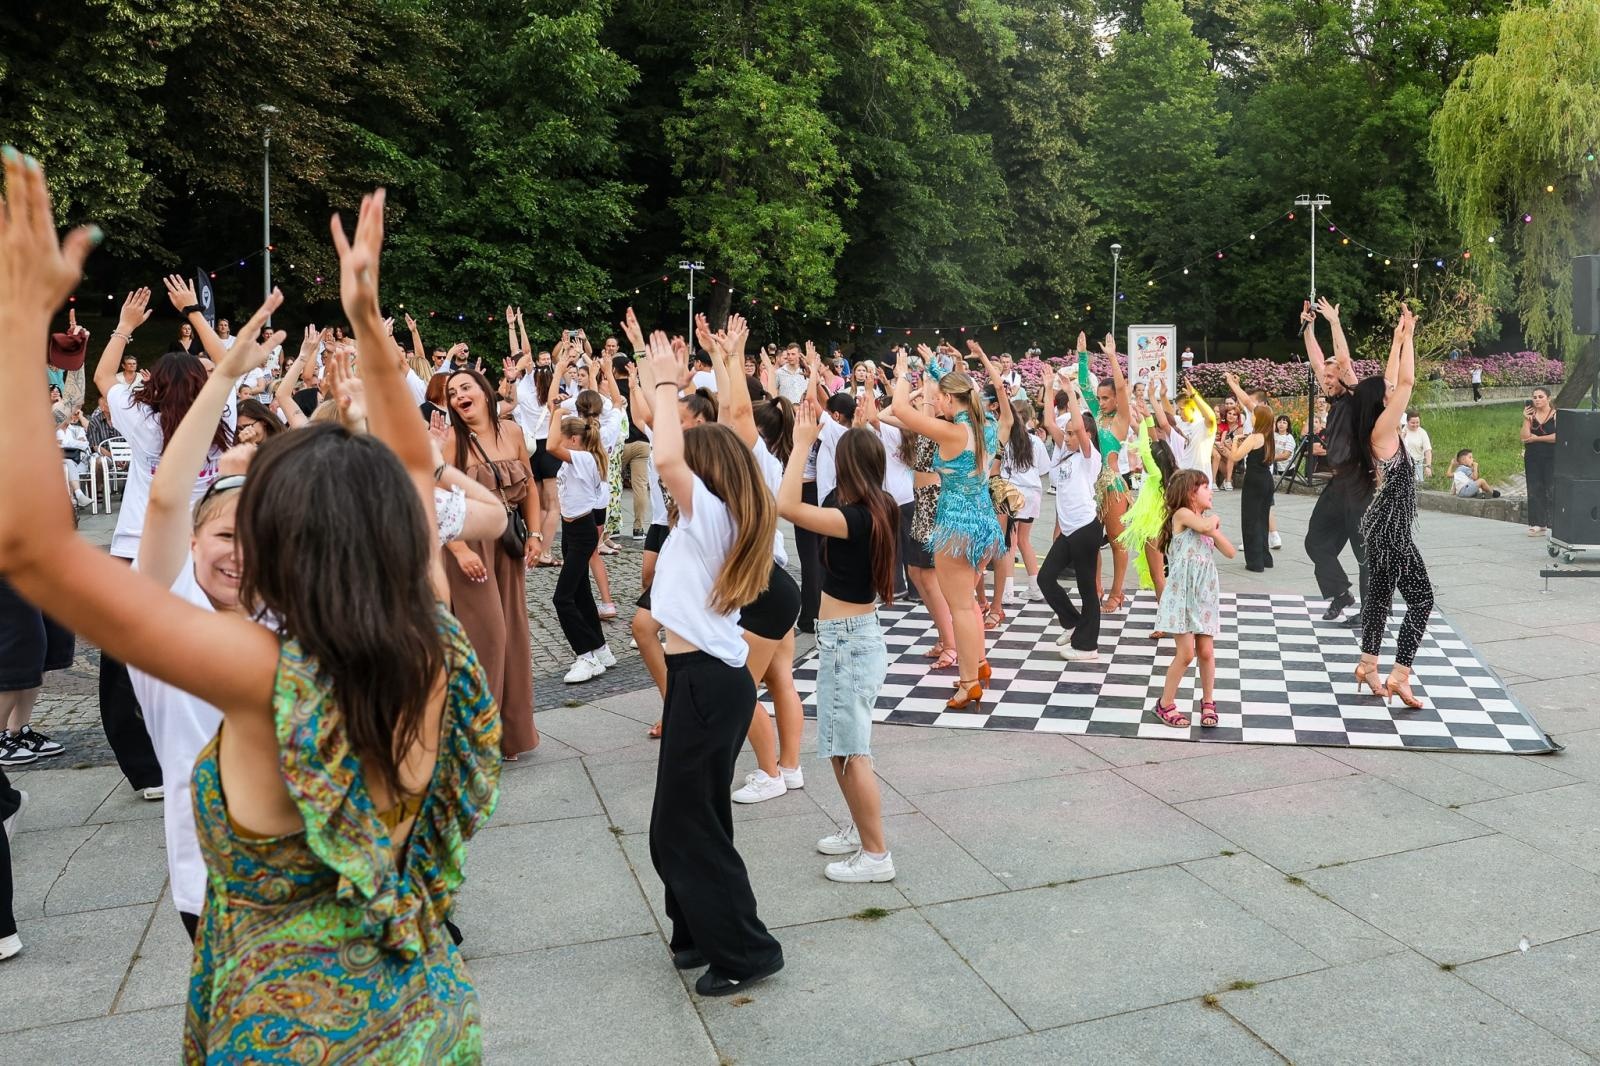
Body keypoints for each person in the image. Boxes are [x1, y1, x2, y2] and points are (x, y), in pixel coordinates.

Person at [0, 165, 501, 1057]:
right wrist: (368, 322)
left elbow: (34, 549)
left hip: (295, 1034)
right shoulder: (435, 644)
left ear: (279, 551)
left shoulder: (264, 678)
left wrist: (18, 327)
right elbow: (415, 471)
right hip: (422, 1012)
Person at [127, 292, 281, 938]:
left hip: (305, 861)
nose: (238, 553)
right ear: (192, 543)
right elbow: (165, 497)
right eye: (223, 536)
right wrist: (223, 377)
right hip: (212, 877)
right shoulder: (167, 612)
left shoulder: (287, 613)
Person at [635, 328, 784, 997]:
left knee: (681, 828)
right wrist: (652, 373)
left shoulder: (711, 514)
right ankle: (696, 934)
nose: (675, 479)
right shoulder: (719, 515)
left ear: (707, 475)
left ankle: (747, 951)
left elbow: (668, 454)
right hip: (704, 683)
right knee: (693, 820)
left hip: (706, 685)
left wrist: (670, 383)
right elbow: (674, 440)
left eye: (689, 470)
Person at [778, 402, 898, 882]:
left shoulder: (856, 518)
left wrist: (803, 444)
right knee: (837, 746)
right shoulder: (872, 504)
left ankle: (876, 855)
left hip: (850, 644)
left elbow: (786, 506)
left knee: (850, 751)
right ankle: (859, 829)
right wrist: (857, 427)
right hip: (846, 640)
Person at [890, 343, 1007, 709]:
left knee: (960, 606)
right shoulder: (985, 426)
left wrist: (901, 373)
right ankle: (979, 665)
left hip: (955, 523)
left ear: (948, 399)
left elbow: (897, 409)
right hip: (984, 519)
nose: (935, 404)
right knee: (967, 603)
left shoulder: (953, 434)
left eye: (939, 399)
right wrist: (936, 372)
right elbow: (970, 396)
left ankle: (969, 681)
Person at [443, 365, 543, 756]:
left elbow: (530, 485)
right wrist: (459, 549)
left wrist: (535, 535)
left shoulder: (513, 431)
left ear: (484, 392)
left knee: (514, 636)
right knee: (488, 638)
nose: (458, 397)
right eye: (452, 393)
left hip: (507, 544)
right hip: (468, 545)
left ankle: (510, 736)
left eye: (464, 388)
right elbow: (435, 499)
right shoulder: (452, 440)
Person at [1354, 305, 1432, 710]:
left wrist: (1401, 336)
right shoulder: (1383, 430)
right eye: (1386, 396)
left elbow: (1391, 379)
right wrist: (1410, 340)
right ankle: (1400, 674)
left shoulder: (1380, 426)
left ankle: (1368, 664)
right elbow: (1406, 380)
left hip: (1383, 527)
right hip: (1391, 530)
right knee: (1422, 599)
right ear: (1379, 404)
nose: (1392, 394)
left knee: (1381, 598)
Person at [1300, 297, 1369, 625]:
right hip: (1337, 484)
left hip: (1359, 487)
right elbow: (1318, 363)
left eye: (1331, 376)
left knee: (1364, 552)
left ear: (1343, 375)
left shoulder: (1355, 396)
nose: (1326, 379)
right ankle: (1341, 594)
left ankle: (1372, 611)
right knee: (1315, 542)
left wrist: (1333, 322)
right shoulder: (1334, 395)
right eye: (1324, 377)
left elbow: (1342, 359)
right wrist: (1308, 328)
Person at [1151, 470, 1235, 728]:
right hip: (1182, 597)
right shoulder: (1183, 515)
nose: (1211, 492)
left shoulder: (1203, 522)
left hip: (1203, 595)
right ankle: (1165, 704)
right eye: (1206, 487)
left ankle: (1208, 701)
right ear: (1190, 493)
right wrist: (1214, 521)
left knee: (1206, 651)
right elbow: (1206, 526)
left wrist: (1214, 528)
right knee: (1186, 653)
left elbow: (1230, 552)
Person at [547, 378, 616, 684]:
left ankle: (585, 655)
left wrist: (555, 414)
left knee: (562, 599)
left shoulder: (584, 458)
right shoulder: (579, 457)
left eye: (564, 438)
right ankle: (601, 649)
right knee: (581, 594)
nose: (560, 442)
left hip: (583, 531)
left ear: (573, 441)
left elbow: (549, 445)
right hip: (571, 528)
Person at [1039, 369, 1103, 661]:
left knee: (1087, 587)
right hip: (1068, 530)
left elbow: (1076, 423)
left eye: (1071, 434)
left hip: (1086, 527)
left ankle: (1088, 646)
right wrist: (1048, 388)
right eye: (1064, 434)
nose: (1065, 436)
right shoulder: (1062, 453)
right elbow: (1049, 422)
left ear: (1085, 435)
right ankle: (1073, 622)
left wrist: (1071, 392)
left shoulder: (1090, 458)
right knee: (1046, 578)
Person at [1231, 404, 1276, 572]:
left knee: (1251, 519)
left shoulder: (1254, 437)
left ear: (1259, 418)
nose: (1252, 417)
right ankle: (1265, 558)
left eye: (1254, 415)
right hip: (1266, 480)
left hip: (1254, 481)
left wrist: (1235, 441)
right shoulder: (1269, 436)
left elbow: (1236, 456)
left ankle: (1254, 561)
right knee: (1262, 519)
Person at [1522, 388, 1556, 535]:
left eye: (1540, 396)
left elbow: (1558, 436)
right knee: (1534, 488)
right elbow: (1524, 437)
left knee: (1552, 488)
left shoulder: (1555, 414)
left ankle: (1554, 522)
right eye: (1534, 397)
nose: (1537, 400)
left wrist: (1538, 438)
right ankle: (1537, 523)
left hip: (1551, 456)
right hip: (1533, 456)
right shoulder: (1531, 415)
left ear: (1548, 398)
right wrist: (1525, 418)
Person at [1400, 410, 1433, 484]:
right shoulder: (1402, 431)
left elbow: (1427, 450)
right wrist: (1402, 437)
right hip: (1404, 464)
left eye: (1417, 422)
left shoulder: (1422, 432)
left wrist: (1428, 466)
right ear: (1407, 422)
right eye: (1412, 423)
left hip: (1418, 464)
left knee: (1417, 485)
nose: (1415, 425)